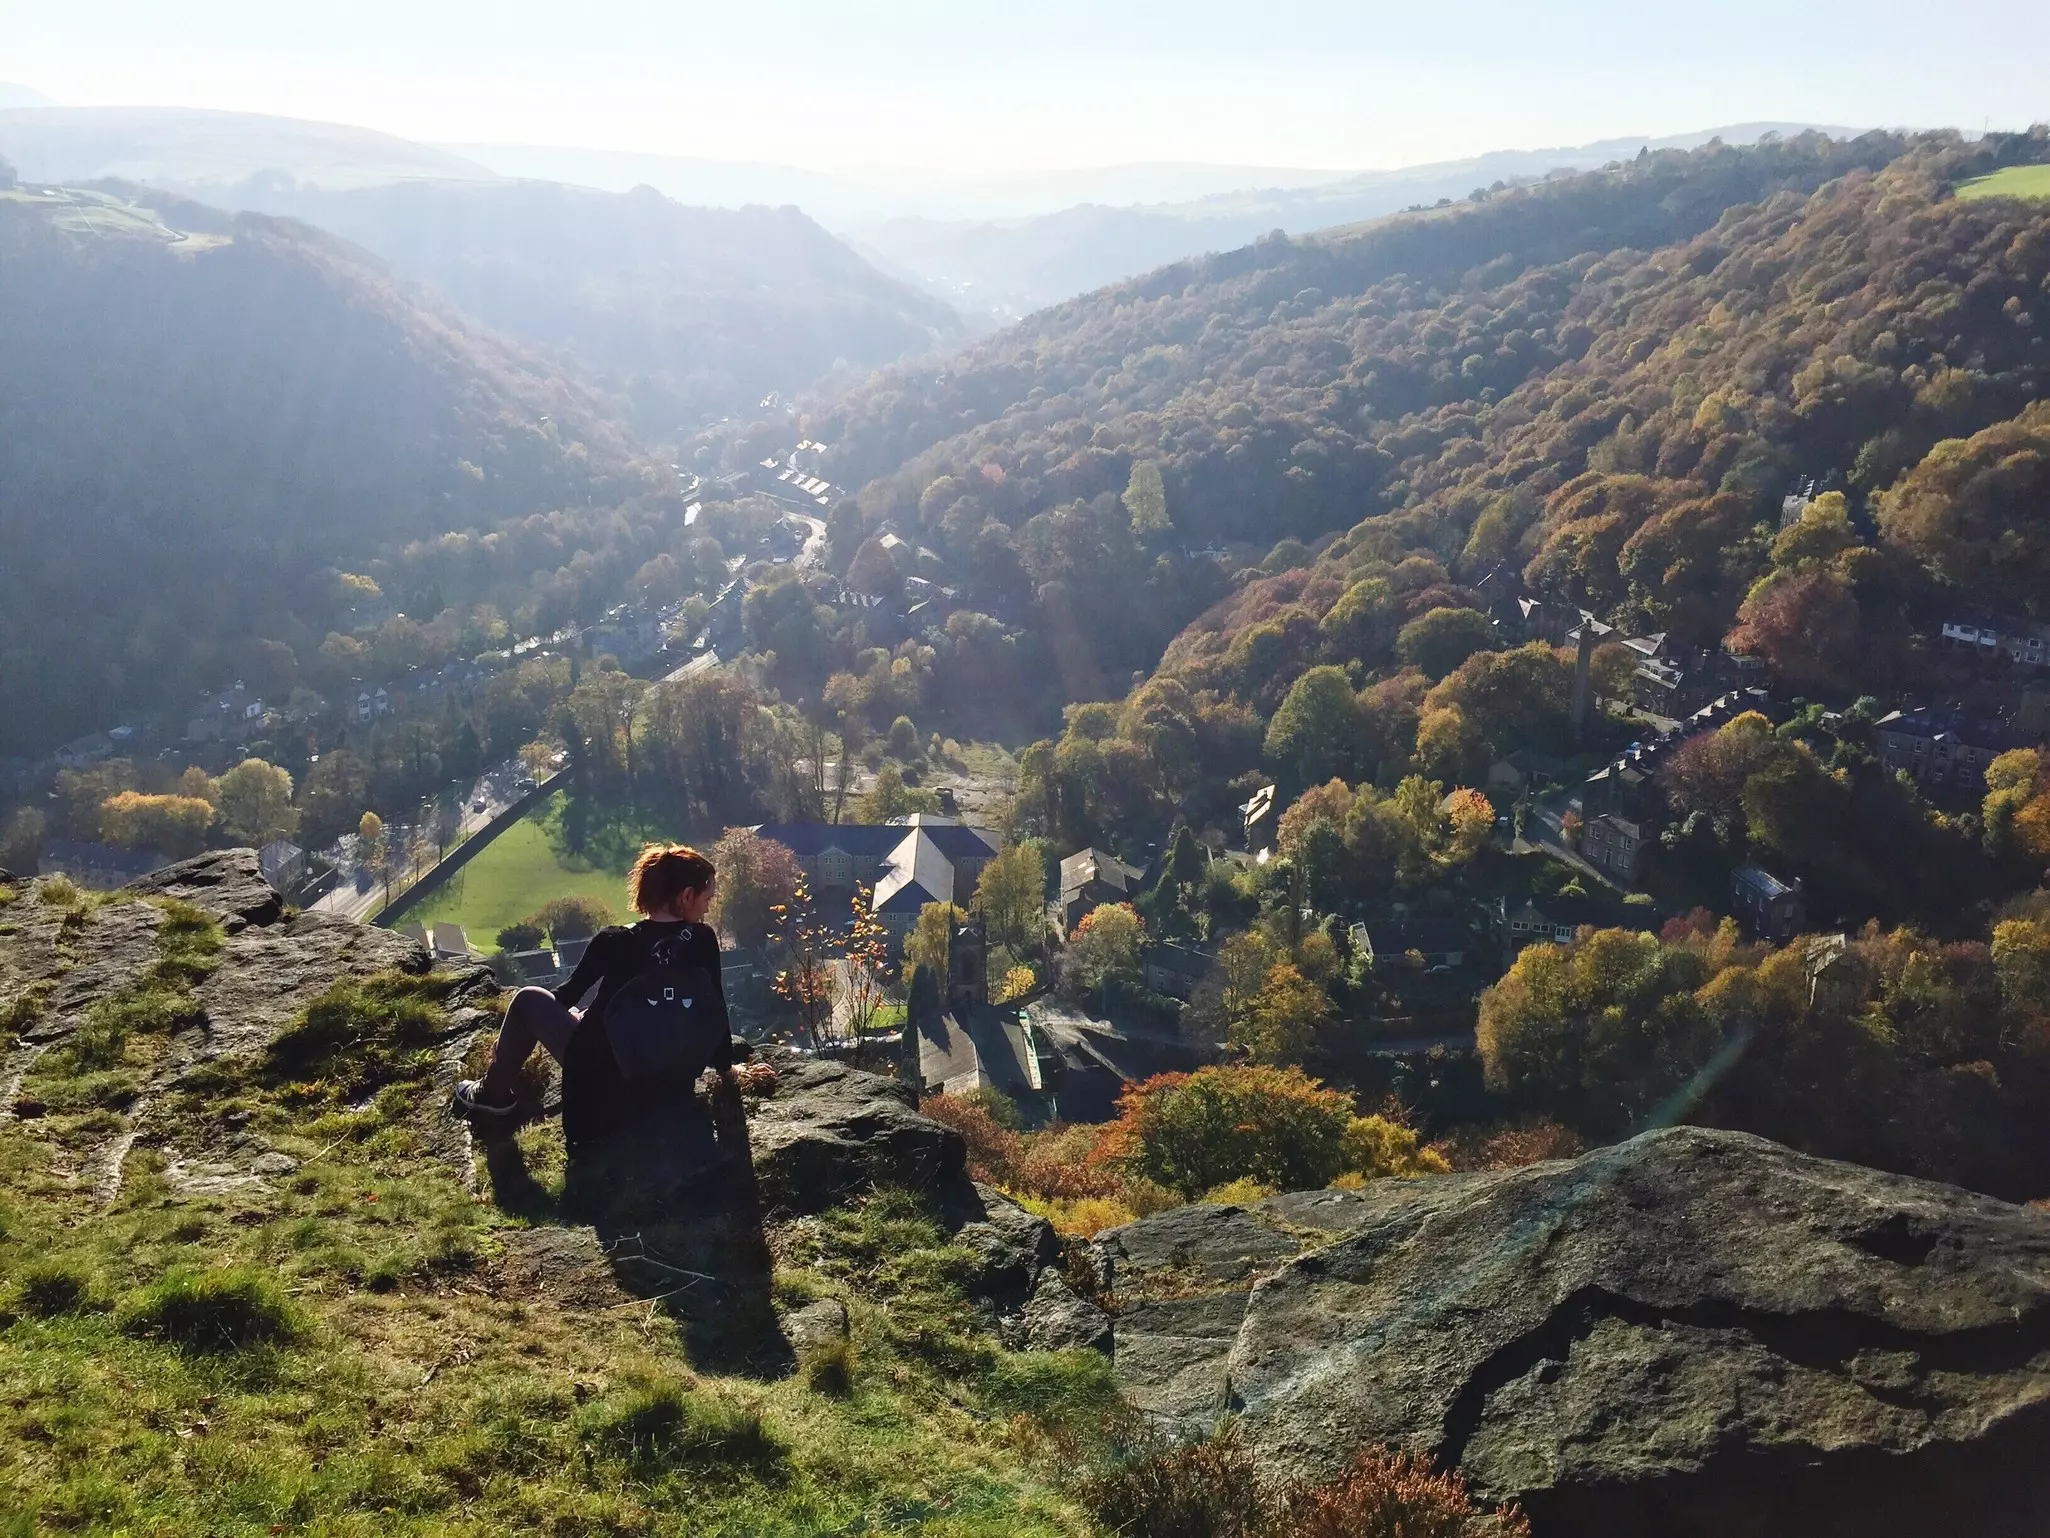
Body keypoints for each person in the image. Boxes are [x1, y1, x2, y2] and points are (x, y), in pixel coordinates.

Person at [454, 843, 733, 1137]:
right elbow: (714, 1009)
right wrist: (727, 1069)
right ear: (686, 895)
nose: (708, 907)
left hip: (603, 1085)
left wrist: (582, 1019)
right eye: (708, 898)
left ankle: (490, 1095)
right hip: (669, 1086)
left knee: (527, 1000)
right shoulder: (702, 941)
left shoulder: (613, 941)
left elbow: (564, 998)